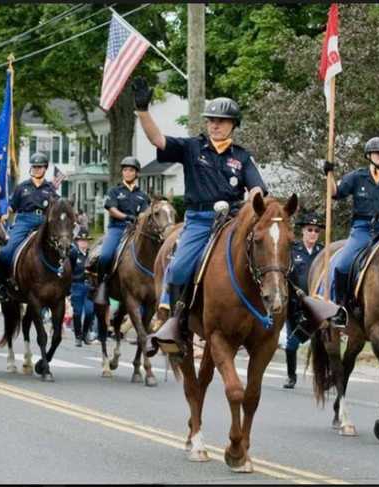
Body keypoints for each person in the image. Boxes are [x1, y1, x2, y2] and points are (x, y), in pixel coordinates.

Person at [132, 76, 268, 355]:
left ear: (233, 125)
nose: (215, 124)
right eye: (211, 120)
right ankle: (172, 319)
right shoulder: (192, 147)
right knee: (180, 267)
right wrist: (143, 110)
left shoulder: (242, 157)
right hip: (199, 221)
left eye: (221, 120)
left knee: (266, 259)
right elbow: (157, 139)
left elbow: (257, 188)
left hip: (231, 221)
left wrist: (255, 200)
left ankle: (276, 315)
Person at [323, 137, 379, 305]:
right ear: (369, 155)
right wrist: (328, 174)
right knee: (342, 266)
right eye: (378, 153)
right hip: (362, 230)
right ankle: (340, 306)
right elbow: (335, 193)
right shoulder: (357, 177)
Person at [0, 152, 59, 301]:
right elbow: (11, 208)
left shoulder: (51, 189)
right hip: (24, 220)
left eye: (40, 167)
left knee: (70, 251)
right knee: (5, 252)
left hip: (45, 222)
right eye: (34, 166)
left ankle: (65, 285)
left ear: (45, 168)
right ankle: (2, 286)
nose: (36, 169)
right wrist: (3, 212)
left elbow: (57, 210)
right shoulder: (21, 187)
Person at [94, 156, 151, 304]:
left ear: (136, 173)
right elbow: (112, 209)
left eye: (131, 170)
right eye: (125, 170)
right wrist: (126, 217)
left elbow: (145, 213)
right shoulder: (114, 191)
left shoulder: (143, 195)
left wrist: (140, 219)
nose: (127, 173)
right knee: (105, 256)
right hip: (117, 228)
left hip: (136, 230)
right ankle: (102, 285)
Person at [283, 210, 324, 389]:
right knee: (290, 346)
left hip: (315, 307)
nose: (313, 233)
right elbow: (285, 275)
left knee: (314, 343)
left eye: (316, 230)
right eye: (310, 229)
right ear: (303, 231)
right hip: (294, 305)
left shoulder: (323, 252)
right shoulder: (293, 250)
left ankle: (321, 377)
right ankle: (291, 376)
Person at [69, 230, 95, 346]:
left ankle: (85, 334)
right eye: (81, 241)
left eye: (86, 241)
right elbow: (68, 271)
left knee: (89, 311)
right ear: (78, 242)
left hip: (89, 286)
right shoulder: (73, 254)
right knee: (77, 313)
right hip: (77, 285)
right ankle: (78, 336)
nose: (84, 243)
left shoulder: (91, 255)